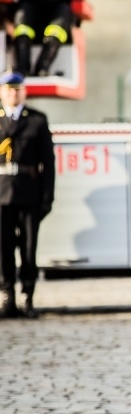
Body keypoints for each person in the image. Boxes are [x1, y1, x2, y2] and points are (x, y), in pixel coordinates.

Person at [0, 71, 55, 318]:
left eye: (17, 89)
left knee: (29, 247)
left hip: (29, 193)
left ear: (24, 92)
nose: (13, 94)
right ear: (1, 92)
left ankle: (27, 295)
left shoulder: (37, 120)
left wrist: (47, 197)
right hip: (1, 193)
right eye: (8, 90)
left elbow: (48, 163)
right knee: (3, 248)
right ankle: (7, 295)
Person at [12, 0, 74, 77]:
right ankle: (22, 70)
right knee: (22, 32)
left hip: (59, 6)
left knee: (56, 32)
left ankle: (42, 69)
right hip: (28, 5)